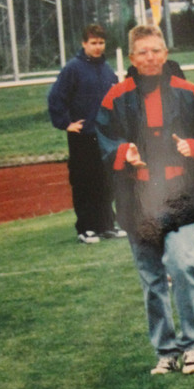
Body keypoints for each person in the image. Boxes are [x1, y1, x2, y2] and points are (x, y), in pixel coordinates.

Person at [96, 25, 194, 376]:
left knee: (182, 266)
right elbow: (104, 137)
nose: (150, 57)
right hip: (137, 198)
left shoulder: (189, 92)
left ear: (166, 53)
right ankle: (165, 351)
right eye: (143, 52)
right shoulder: (115, 97)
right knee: (152, 278)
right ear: (132, 58)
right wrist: (125, 152)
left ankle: (192, 347)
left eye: (156, 50)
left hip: (180, 194)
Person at [48, 23, 126, 244]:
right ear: (84, 44)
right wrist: (66, 123)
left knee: (105, 180)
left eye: (101, 43)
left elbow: (115, 99)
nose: (98, 47)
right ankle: (86, 228)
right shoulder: (73, 68)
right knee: (84, 181)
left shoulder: (107, 70)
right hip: (83, 135)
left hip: (104, 136)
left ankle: (106, 225)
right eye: (93, 43)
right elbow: (56, 97)